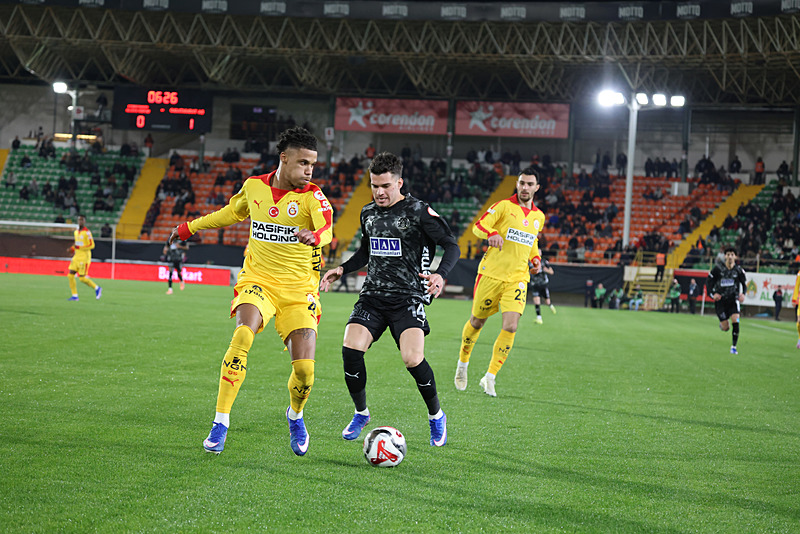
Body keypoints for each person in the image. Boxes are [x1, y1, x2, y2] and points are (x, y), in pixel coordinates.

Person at [168, 127, 332, 456]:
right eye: (303, 163)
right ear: (283, 159)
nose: (309, 170)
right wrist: (191, 226)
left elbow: (327, 226)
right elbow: (231, 213)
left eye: (313, 164)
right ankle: (220, 423)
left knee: (305, 371)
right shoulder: (254, 186)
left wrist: (317, 237)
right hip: (258, 281)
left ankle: (295, 415)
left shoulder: (312, 196)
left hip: (300, 291)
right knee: (243, 335)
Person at [320, 152, 459, 447]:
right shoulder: (367, 213)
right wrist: (342, 269)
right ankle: (361, 413)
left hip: (408, 297)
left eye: (385, 186)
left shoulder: (418, 211)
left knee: (412, 359)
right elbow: (366, 251)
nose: (379, 192)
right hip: (373, 296)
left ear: (399, 182)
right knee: (350, 348)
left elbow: (451, 245)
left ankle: (436, 417)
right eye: (374, 186)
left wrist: (440, 275)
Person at [453, 167, 545, 397]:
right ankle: (463, 364)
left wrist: (536, 258)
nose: (525, 188)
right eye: (522, 183)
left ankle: (490, 376)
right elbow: (478, 226)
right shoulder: (503, 206)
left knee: (511, 326)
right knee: (477, 322)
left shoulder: (538, 217)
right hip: (491, 275)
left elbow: (532, 242)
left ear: (537, 188)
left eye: (529, 184)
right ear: (517, 184)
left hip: (518, 278)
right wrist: (491, 234)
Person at [706, 247, 747, 355]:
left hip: (733, 300)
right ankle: (723, 324)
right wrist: (712, 294)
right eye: (728, 254)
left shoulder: (738, 270)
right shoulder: (718, 269)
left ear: (735, 257)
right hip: (721, 301)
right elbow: (709, 282)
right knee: (725, 328)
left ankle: (734, 347)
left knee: (736, 320)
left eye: (732, 254)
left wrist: (743, 294)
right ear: (725, 256)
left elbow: (744, 284)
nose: (730, 257)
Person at [67, 214, 102, 301]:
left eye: (82, 220)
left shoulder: (87, 232)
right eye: (79, 220)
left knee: (82, 278)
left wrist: (80, 248)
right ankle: (75, 296)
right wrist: (72, 248)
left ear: (85, 221)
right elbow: (77, 243)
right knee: (70, 275)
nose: (80, 221)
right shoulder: (76, 232)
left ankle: (97, 288)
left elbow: (92, 245)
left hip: (84, 258)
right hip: (76, 257)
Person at [530, 257, 556, 324]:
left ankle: (550, 305)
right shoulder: (529, 262)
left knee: (547, 302)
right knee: (536, 301)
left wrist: (546, 270)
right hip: (535, 284)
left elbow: (552, 272)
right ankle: (539, 318)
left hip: (543, 284)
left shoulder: (544, 261)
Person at [792, 269, 800, 349]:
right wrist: (794, 299)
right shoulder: (799, 273)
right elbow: (797, 286)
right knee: (798, 322)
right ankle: (799, 338)